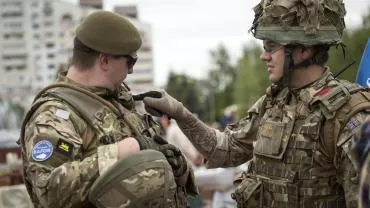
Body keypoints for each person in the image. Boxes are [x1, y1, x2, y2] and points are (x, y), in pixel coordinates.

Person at [141, 0, 370, 207]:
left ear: (303, 49)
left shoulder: (348, 114)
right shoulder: (274, 102)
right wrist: (180, 114)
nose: (264, 56)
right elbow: (227, 149)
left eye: (271, 47)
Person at [18, 11, 197, 208]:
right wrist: (122, 151)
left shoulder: (117, 101)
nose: (131, 71)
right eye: (130, 61)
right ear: (104, 60)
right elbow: (49, 191)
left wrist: (179, 169)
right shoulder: (54, 114)